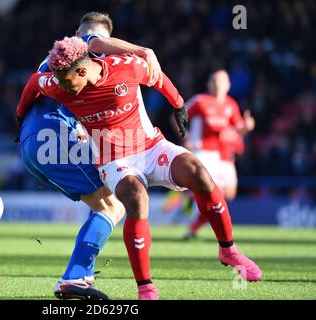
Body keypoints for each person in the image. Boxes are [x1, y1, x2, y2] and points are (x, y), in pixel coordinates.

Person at [17, 37, 263, 300]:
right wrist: (21, 117)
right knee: (136, 198)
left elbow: (157, 77)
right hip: (113, 160)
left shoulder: (126, 67)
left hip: (150, 146)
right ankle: (145, 287)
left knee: (199, 173)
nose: (63, 87)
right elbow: (34, 83)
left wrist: (178, 104)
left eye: (66, 81)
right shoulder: (57, 84)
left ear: (82, 70)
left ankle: (228, 249)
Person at [18, 12, 163, 300]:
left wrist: (20, 119)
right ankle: (75, 278)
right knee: (113, 206)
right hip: (54, 136)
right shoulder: (87, 50)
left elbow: (34, 84)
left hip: (32, 142)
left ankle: (78, 276)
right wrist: (144, 52)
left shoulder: (57, 62)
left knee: (105, 202)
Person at [183, 70, 255, 239]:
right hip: (204, 152)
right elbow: (178, 117)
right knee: (213, 194)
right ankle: (192, 201)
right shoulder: (200, 101)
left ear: (228, 85)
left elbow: (239, 131)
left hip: (224, 155)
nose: (218, 84)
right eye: (214, 80)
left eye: (221, 81)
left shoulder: (231, 105)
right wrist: (185, 137)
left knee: (228, 194)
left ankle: (191, 198)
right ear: (209, 83)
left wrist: (247, 127)